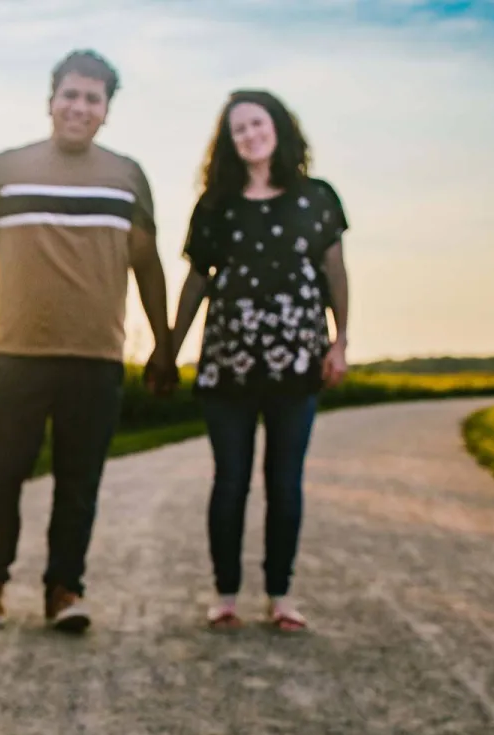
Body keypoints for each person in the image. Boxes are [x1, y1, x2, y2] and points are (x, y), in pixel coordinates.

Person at [0, 49, 170, 634]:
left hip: (97, 357)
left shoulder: (127, 176)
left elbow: (148, 266)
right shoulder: (5, 169)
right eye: (70, 94)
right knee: (1, 476)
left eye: (93, 98)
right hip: (18, 354)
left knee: (79, 484)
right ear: (51, 100)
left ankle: (64, 591)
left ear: (106, 111)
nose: (79, 107)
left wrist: (165, 346)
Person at [153, 90, 350, 632]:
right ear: (228, 142)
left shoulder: (317, 198)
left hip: (298, 360)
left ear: (279, 127)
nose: (250, 135)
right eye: (238, 129)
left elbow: (334, 271)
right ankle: (225, 596)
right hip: (228, 359)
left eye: (257, 123)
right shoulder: (215, 205)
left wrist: (340, 342)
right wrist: (168, 349)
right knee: (230, 480)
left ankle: (281, 596)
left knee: (285, 482)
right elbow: (197, 281)